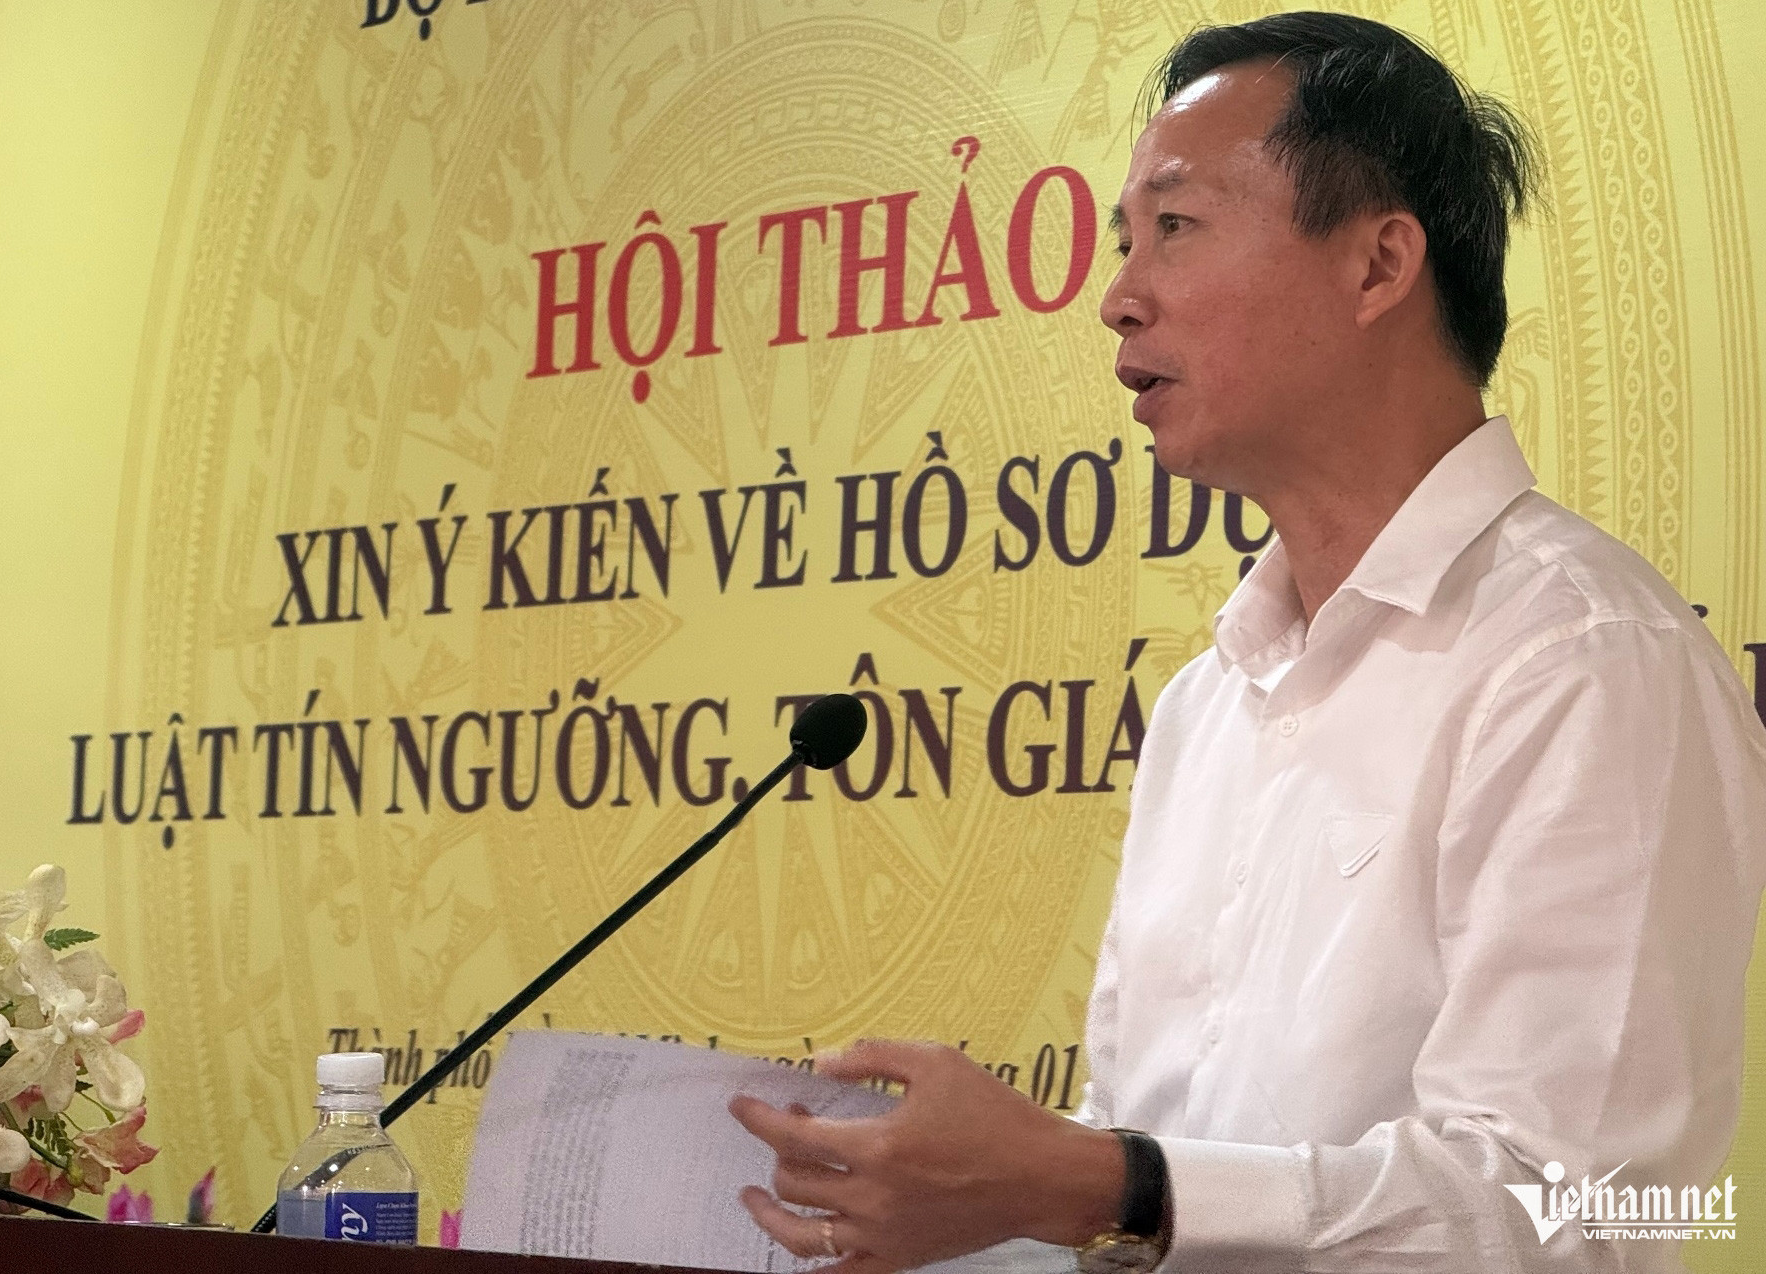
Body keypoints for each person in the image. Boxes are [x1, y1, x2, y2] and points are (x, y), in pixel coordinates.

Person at [730, 12, 1766, 1271]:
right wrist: (980, 1207)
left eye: (1174, 225)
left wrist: (1109, 1183)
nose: (1117, 298)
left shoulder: (1584, 660)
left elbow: (1577, 1215)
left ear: (1376, 265)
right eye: (1124, 241)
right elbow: (1144, 1189)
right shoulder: (1205, 704)